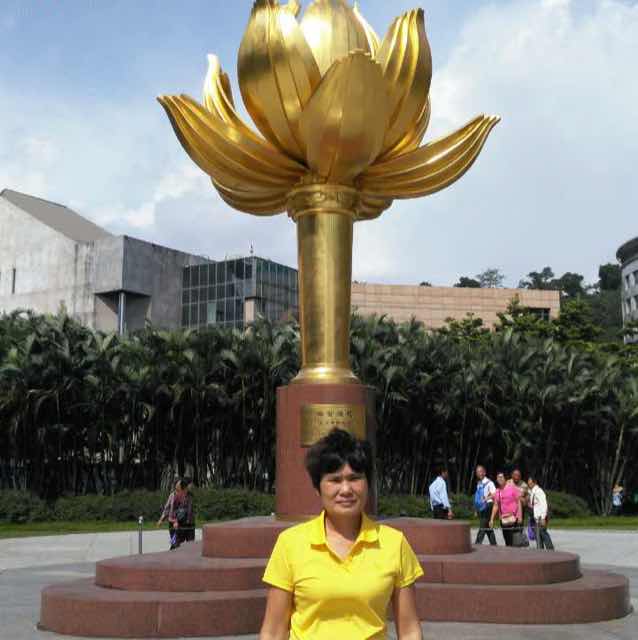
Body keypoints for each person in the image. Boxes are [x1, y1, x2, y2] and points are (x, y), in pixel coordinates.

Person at [259, 429, 424, 640]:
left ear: (368, 484)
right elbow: (273, 631)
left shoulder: (394, 543)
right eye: (335, 480)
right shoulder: (290, 543)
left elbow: (409, 630)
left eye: (354, 478)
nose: (346, 489)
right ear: (317, 488)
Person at [157, 478, 195, 550]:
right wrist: (162, 519)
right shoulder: (173, 495)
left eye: (178, 486)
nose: (177, 488)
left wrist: (189, 520)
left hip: (189, 525)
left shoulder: (190, 496)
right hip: (174, 525)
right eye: (177, 486)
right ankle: (171, 554)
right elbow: (168, 509)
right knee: (174, 545)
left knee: (190, 546)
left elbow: (188, 510)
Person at [490, 471, 522, 547]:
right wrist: (491, 519)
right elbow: (495, 505)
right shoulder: (497, 491)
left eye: (501, 477)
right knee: (507, 541)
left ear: (505, 479)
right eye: (498, 478)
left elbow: (518, 501)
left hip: (514, 518)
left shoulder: (512, 488)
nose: (500, 479)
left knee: (515, 541)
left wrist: (520, 516)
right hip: (504, 520)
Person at [527, 475, 554, 551]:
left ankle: (551, 550)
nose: (529, 484)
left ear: (535, 482)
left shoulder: (539, 491)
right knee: (538, 536)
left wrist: (543, 518)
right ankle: (540, 551)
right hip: (535, 518)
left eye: (530, 483)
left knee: (543, 533)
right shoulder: (532, 491)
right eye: (528, 483)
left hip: (540, 518)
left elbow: (544, 504)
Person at [474, 465, 497, 545]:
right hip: (482, 507)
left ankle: (477, 543)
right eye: (477, 472)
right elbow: (478, 497)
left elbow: (494, 494)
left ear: (484, 472)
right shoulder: (479, 483)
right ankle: (494, 544)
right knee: (487, 527)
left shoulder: (490, 483)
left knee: (483, 525)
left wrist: (486, 498)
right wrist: (476, 509)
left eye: (480, 471)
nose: (479, 473)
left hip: (488, 505)